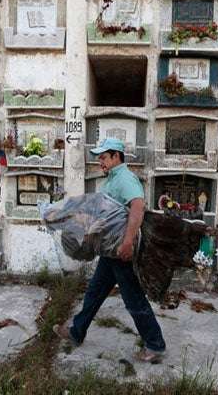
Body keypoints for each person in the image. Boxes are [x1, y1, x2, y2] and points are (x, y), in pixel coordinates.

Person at [53, 138, 166, 363]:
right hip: (110, 251)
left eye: (104, 158)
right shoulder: (113, 179)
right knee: (94, 292)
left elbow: (137, 207)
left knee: (134, 299)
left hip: (121, 251)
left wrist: (127, 243)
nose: (100, 163)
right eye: (99, 159)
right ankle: (77, 331)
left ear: (116, 157)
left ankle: (155, 345)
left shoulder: (125, 178)